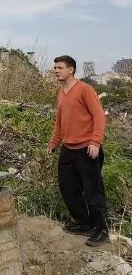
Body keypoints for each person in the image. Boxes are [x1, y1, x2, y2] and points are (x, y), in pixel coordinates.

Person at [47, 55, 109, 247]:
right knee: (68, 189)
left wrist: (95, 142)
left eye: (60, 67)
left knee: (93, 192)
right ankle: (84, 224)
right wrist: (53, 142)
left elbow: (99, 116)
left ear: (71, 69)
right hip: (68, 148)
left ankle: (102, 230)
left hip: (87, 149)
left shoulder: (85, 90)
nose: (56, 70)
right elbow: (60, 121)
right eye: (55, 67)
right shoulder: (61, 93)